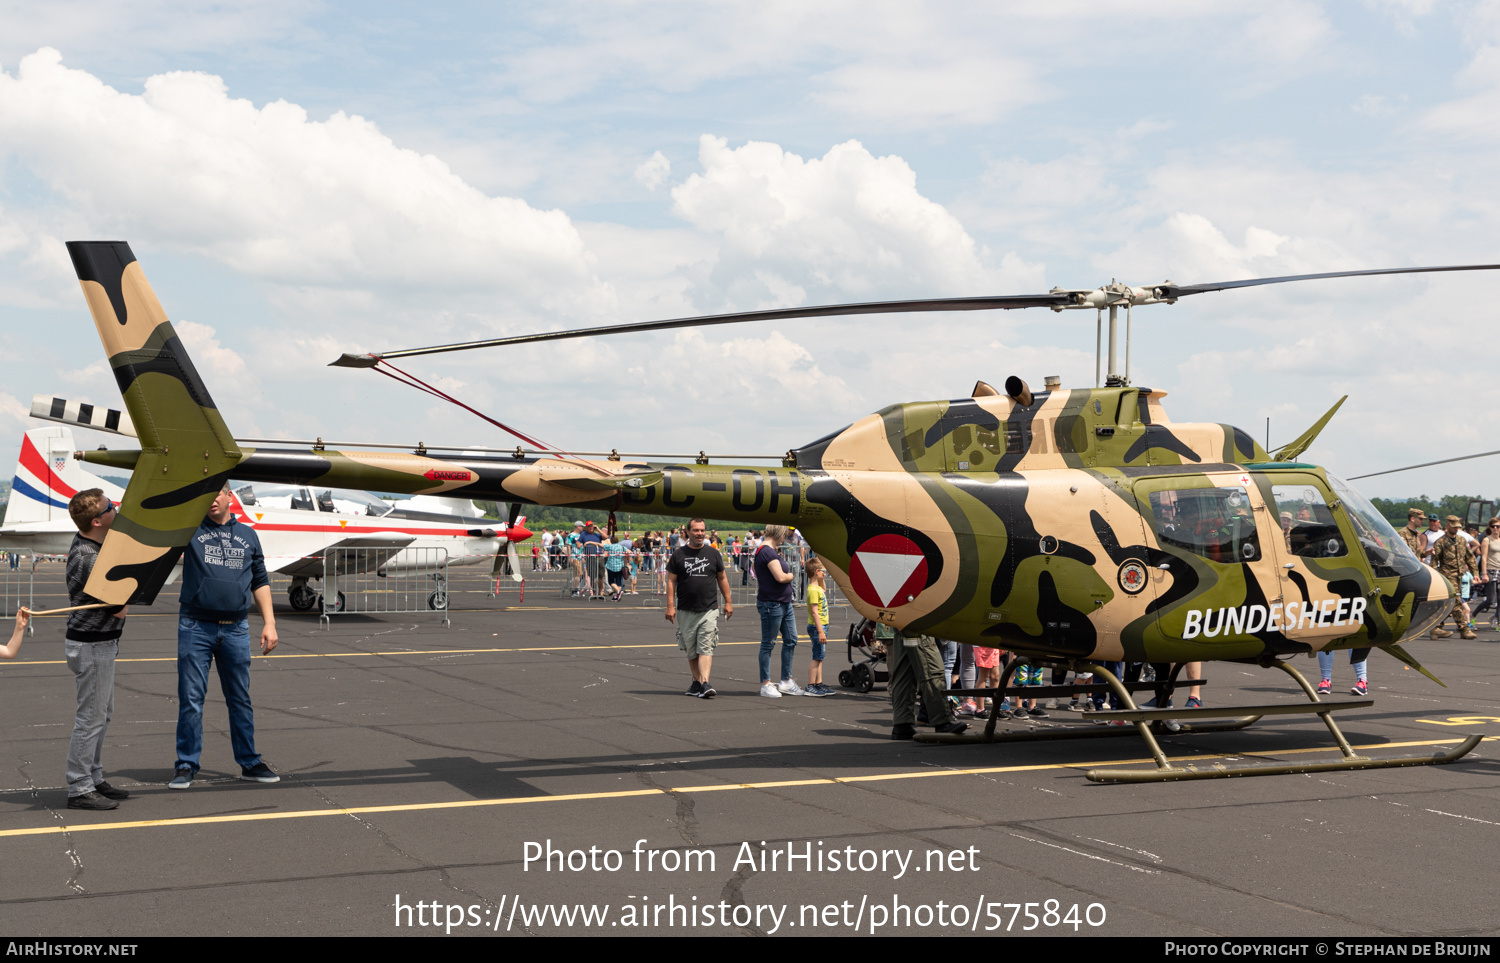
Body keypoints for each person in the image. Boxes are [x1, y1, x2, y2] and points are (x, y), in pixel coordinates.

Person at [170, 483, 280, 789]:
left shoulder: (248, 535)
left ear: (230, 496)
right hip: (195, 626)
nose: (212, 501)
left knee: (240, 699)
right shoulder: (189, 530)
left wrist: (269, 623)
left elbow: (260, 580)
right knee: (191, 700)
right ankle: (186, 764)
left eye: (217, 493)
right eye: (205, 496)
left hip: (236, 628)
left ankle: (249, 762)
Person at [63, 489, 131, 811]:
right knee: (90, 719)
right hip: (92, 647)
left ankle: (93, 775)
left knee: (101, 714)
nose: (115, 509)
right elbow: (119, 609)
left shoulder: (91, 544)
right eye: (110, 507)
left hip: (99, 644)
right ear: (97, 520)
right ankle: (79, 786)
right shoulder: (90, 557)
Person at [665, 518, 733, 698]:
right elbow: (671, 582)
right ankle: (696, 682)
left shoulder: (713, 553)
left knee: (706, 646)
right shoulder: (679, 554)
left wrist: (728, 602)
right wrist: (670, 607)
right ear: (688, 532)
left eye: (702, 530)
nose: (700, 534)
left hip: (709, 609)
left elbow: (722, 578)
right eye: (695, 530)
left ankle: (705, 683)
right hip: (686, 610)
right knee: (691, 648)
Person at [889, 630, 968, 740]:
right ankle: (942, 721)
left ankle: (902, 723)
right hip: (917, 621)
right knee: (931, 667)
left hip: (902, 620)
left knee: (905, 670)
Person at [754, 525, 801, 697]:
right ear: (779, 534)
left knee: (791, 639)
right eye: (784, 534)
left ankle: (786, 681)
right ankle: (766, 683)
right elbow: (780, 577)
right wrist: (791, 576)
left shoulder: (768, 551)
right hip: (772, 604)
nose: (786, 537)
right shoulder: (767, 552)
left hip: (783, 603)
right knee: (768, 643)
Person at [1430, 514, 1478, 640]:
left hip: (1459, 576)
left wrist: (1475, 573)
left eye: (1458, 527)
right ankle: (1464, 629)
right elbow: (1434, 561)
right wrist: (1434, 578)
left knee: (1446, 604)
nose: (1456, 529)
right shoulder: (1440, 542)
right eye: (1454, 527)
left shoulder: (1462, 541)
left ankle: (1436, 628)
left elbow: (1470, 558)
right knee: (1456, 602)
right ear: (1447, 526)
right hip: (1447, 576)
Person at [803, 559, 834, 696]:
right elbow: (814, 612)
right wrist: (820, 631)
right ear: (817, 572)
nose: (825, 574)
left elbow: (824, 589)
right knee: (817, 656)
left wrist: (821, 578)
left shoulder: (817, 588)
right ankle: (810, 685)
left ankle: (818, 683)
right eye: (823, 572)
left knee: (820, 656)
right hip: (817, 627)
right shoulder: (813, 591)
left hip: (822, 626)